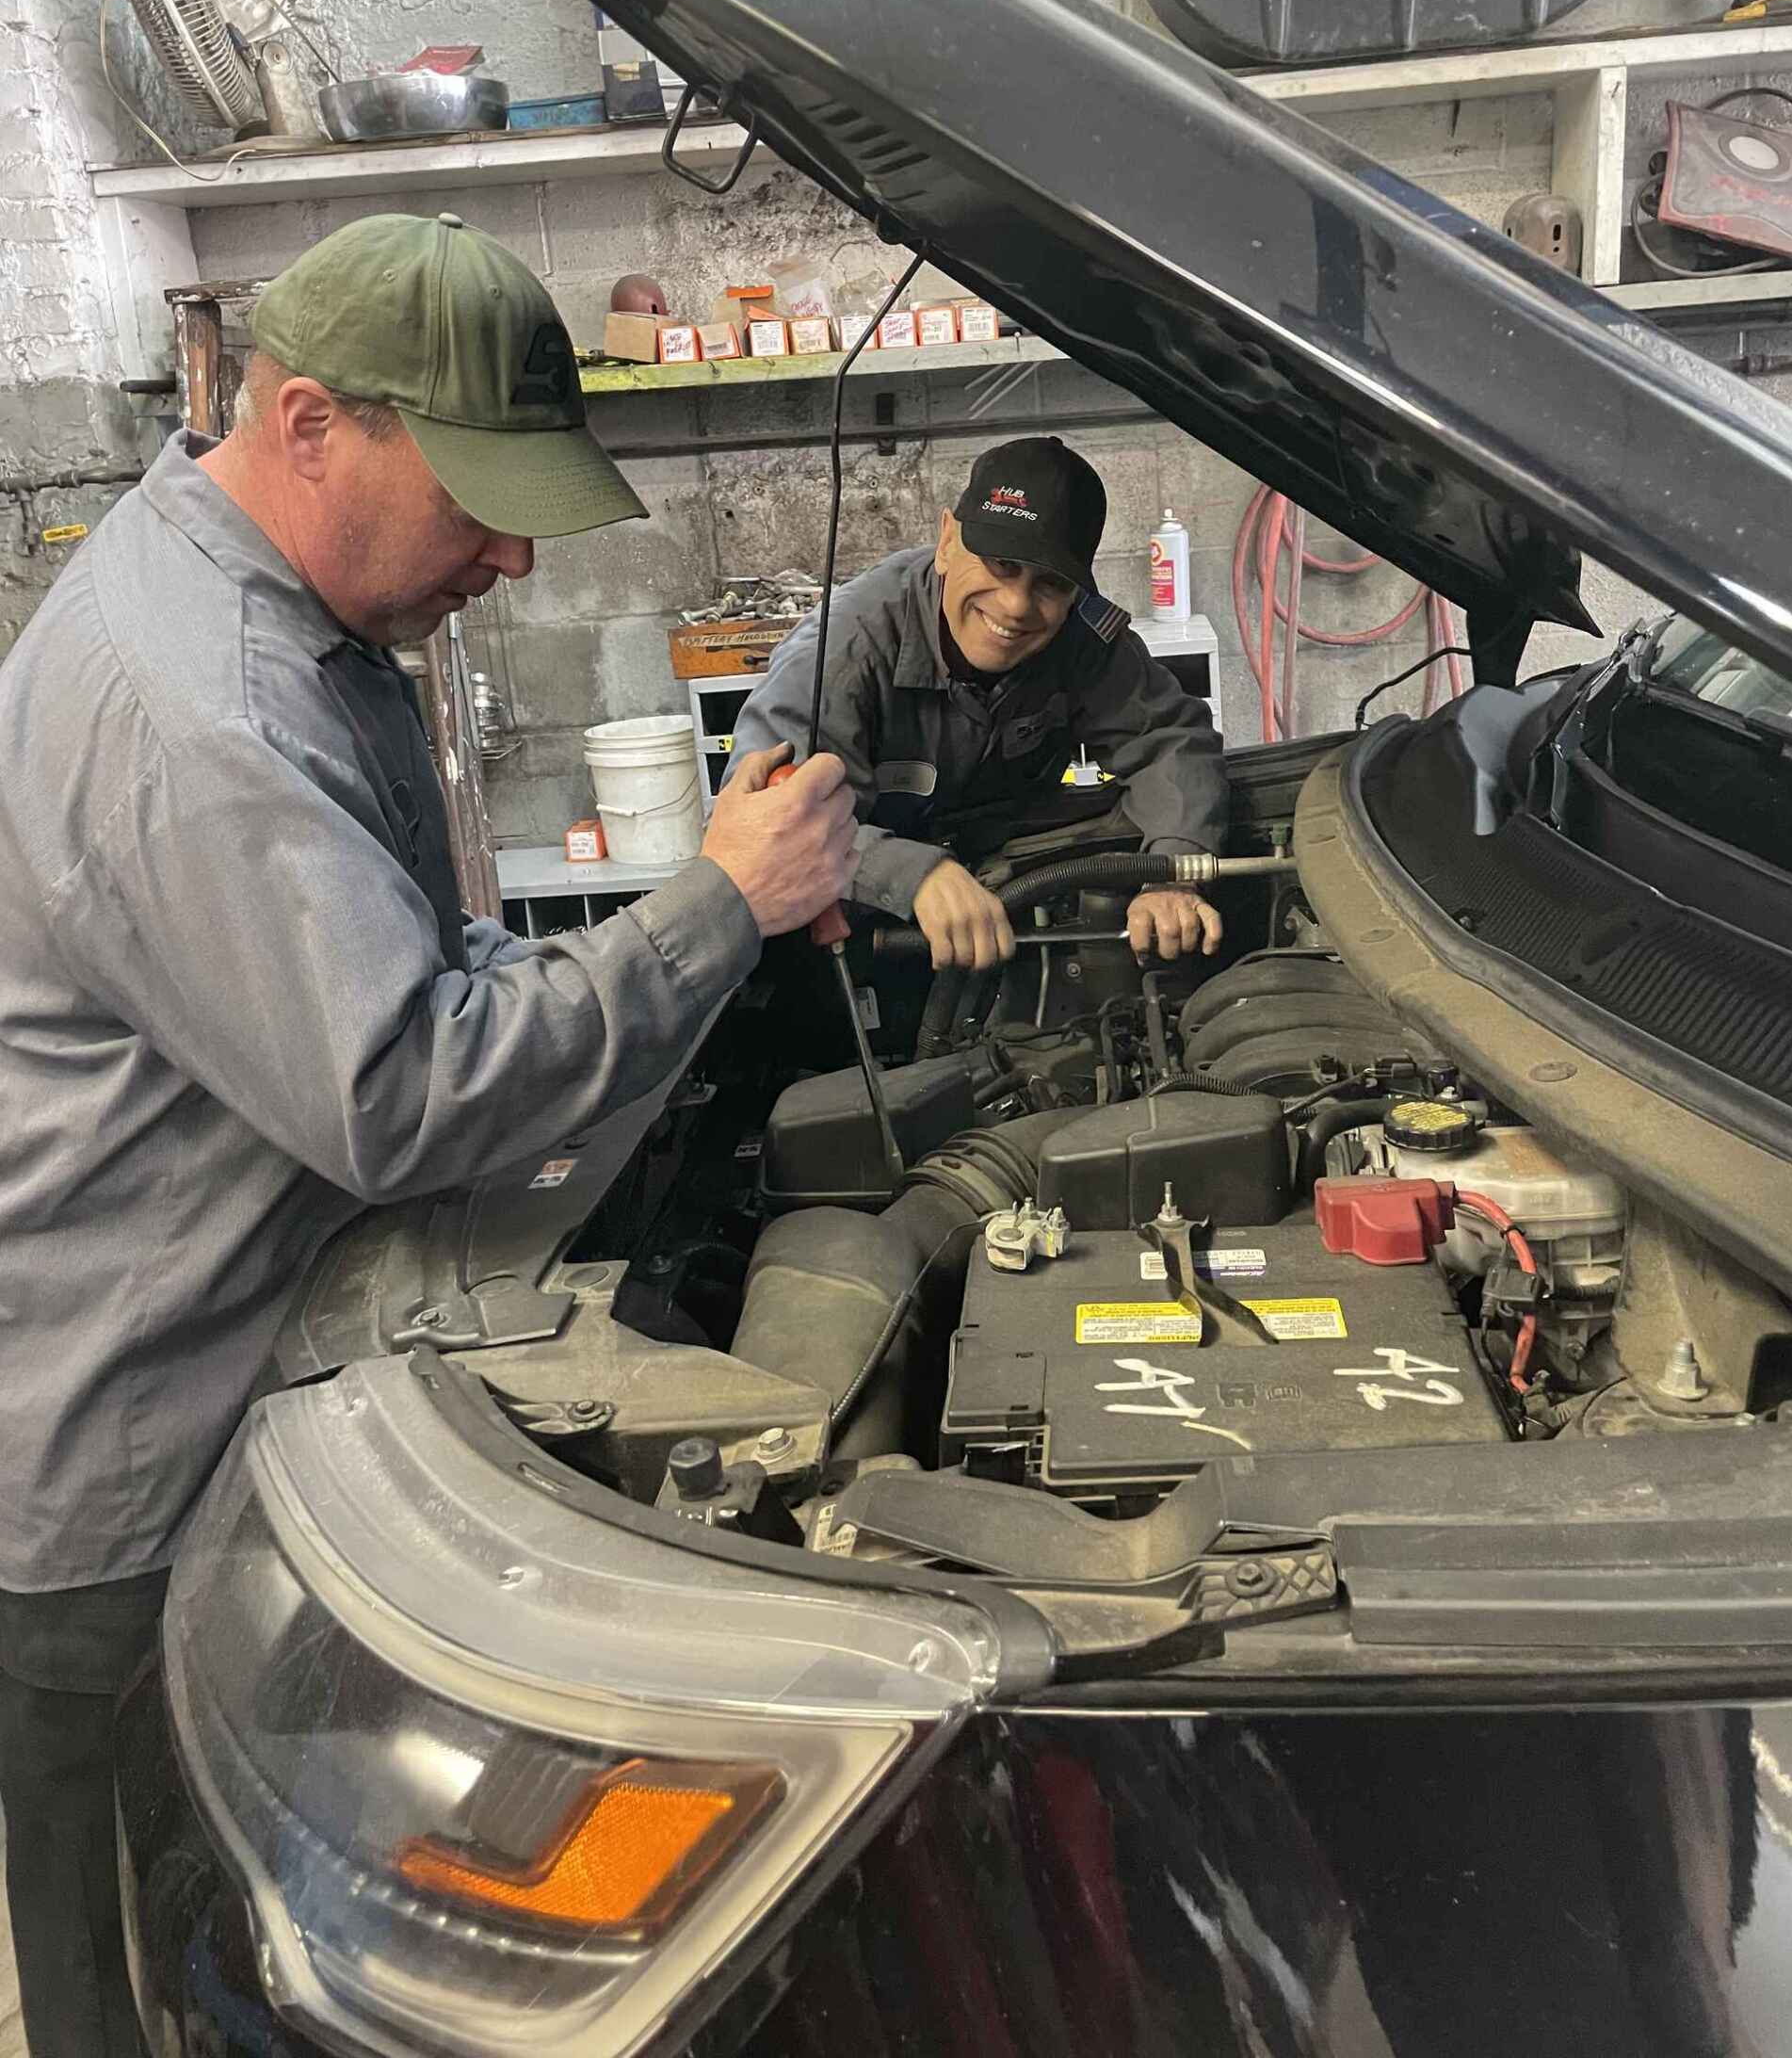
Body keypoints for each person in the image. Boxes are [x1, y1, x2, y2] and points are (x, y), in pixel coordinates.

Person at [0, 212, 855, 2058]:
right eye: (475, 494)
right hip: (121, 1477)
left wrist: (685, 940)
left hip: (220, 1383)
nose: (513, 549)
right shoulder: (201, 709)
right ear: (309, 422)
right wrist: (708, 909)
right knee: (141, 1980)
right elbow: (405, 1088)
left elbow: (419, 956)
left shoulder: (291, 626)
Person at [728, 436, 1228, 969]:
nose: (1015, 607)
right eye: (1001, 565)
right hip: (860, 924)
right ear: (947, 541)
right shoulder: (843, 647)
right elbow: (769, 815)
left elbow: (1171, 741)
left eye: (1050, 584)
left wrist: (1171, 874)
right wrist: (908, 871)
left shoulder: (1083, 638)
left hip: (1008, 893)